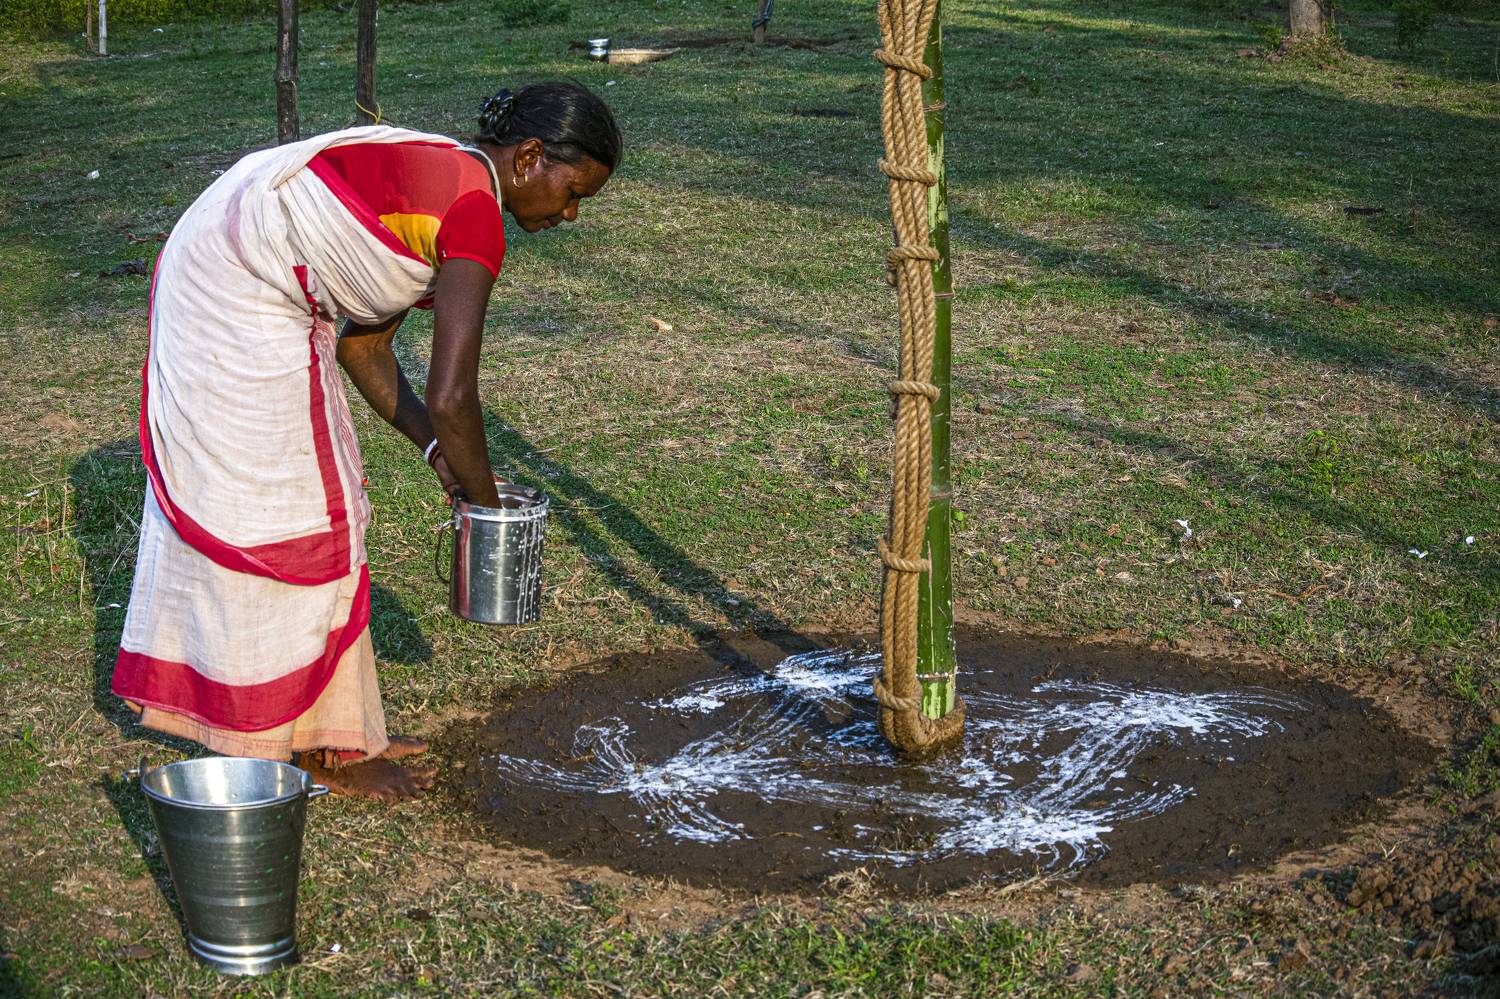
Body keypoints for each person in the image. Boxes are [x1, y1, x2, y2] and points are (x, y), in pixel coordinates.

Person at [111, 82, 621, 800]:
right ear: (530, 157)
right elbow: (452, 395)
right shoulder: (474, 211)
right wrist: (486, 509)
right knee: (302, 518)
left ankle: (336, 731)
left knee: (330, 510)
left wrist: (437, 454)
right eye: (573, 193)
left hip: (239, 266)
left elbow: (364, 349)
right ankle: (306, 747)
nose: (569, 214)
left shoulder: (455, 182)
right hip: (233, 287)